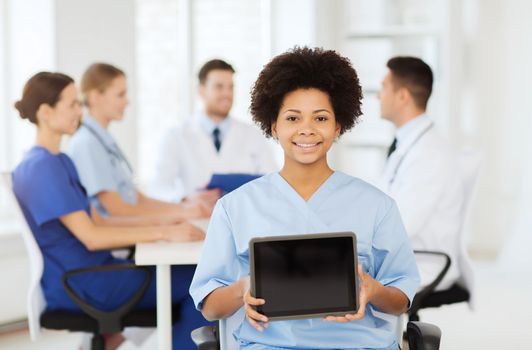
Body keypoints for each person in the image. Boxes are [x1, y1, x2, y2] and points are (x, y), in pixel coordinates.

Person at [189, 47, 420, 350]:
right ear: (274, 125)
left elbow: (400, 300)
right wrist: (243, 289)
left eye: (321, 118)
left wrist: (374, 290)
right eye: (293, 118)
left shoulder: (377, 206)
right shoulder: (236, 207)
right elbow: (210, 306)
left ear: (338, 126)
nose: (307, 130)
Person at [12, 72, 210, 350]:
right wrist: (164, 231)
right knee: (202, 284)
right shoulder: (41, 167)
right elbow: (91, 236)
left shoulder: (59, 161)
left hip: (96, 273)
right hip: (86, 283)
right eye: (71, 105)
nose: (79, 112)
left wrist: (168, 225)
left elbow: (98, 221)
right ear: (46, 112)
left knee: (195, 276)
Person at [67, 63, 218, 219]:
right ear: (95, 97)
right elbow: (116, 209)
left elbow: (138, 200)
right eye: (120, 95)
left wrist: (185, 207)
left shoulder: (103, 141)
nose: (127, 102)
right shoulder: (87, 144)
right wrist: (181, 213)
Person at [377, 56, 464, 290]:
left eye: (384, 87)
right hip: (406, 255)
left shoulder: (429, 154)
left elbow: (402, 225)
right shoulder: (409, 143)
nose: (378, 95)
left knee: (338, 282)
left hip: (423, 263)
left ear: (403, 96)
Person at [152, 59, 278, 202]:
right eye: (219, 87)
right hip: (196, 218)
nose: (227, 94)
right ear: (201, 90)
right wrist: (185, 198)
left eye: (231, 87)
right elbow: (159, 187)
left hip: (243, 218)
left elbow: (272, 181)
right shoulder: (176, 136)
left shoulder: (252, 134)